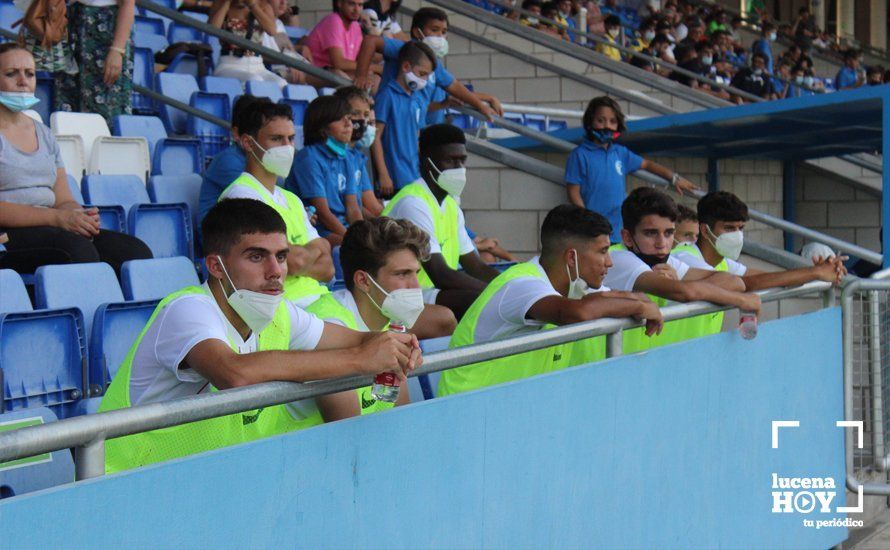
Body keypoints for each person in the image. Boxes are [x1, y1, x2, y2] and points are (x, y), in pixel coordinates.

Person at [98, 199, 422, 472]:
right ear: (216, 266)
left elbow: (359, 340)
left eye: (281, 256)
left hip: (201, 482)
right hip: (125, 483)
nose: (276, 271)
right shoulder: (188, 309)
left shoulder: (278, 312)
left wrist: (397, 347)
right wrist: (359, 358)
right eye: (257, 256)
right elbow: (234, 373)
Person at [437, 204, 664, 397]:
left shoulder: (574, 285)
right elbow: (576, 313)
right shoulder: (522, 284)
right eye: (603, 251)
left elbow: (607, 296)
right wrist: (639, 305)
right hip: (466, 407)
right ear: (571, 256)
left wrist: (641, 300)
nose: (609, 263)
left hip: (508, 406)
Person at [0, 43, 152, 275]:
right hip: (7, 233)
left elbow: (63, 199)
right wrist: (58, 218)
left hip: (50, 225)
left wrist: (77, 215)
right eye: (11, 73)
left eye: (29, 74)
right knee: (77, 251)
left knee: (134, 252)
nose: (23, 81)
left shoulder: (43, 133)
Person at [307, 216, 458, 420]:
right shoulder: (328, 327)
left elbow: (398, 413)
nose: (415, 286)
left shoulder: (391, 319)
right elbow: (347, 432)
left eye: (415, 273)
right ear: (363, 281)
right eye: (402, 274)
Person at [353, 7, 503, 195]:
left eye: (444, 31)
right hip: (395, 172)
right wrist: (360, 75)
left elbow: (454, 86)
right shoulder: (402, 57)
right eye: (435, 30)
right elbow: (370, 41)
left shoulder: (428, 75)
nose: (440, 36)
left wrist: (481, 103)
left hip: (414, 170)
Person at [603, 187, 762, 353]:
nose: (662, 243)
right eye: (651, 233)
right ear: (627, 237)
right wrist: (742, 300)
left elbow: (734, 282)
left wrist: (682, 283)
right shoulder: (618, 259)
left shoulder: (666, 259)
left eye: (669, 233)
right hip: (594, 367)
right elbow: (685, 292)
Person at [216, 98, 335, 308]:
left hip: (318, 302)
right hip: (284, 309)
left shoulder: (291, 198)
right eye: (277, 139)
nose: (288, 147)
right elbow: (293, 261)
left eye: (291, 138)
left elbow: (327, 268)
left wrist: (299, 259)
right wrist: (311, 253)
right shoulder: (241, 197)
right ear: (248, 143)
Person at [381, 124, 499, 319]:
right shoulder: (413, 203)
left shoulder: (451, 206)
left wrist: (511, 284)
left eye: (462, 161)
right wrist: (498, 293)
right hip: (401, 294)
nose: (459, 169)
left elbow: (476, 267)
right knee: (479, 300)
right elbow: (441, 274)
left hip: (428, 293)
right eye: (450, 161)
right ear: (428, 163)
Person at [565, 96, 698, 244]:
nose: (606, 125)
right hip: (593, 229)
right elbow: (573, 192)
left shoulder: (620, 153)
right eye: (600, 120)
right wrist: (586, 218)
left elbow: (647, 164)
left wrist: (674, 178)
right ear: (590, 121)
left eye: (612, 121)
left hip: (619, 228)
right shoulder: (580, 154)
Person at [673, 191, 848, 292]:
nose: (737, 235)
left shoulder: (723, 263)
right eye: (729, 228)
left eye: (740, 228)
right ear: (705, 230)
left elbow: (765, 278)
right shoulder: (683, 257)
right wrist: (814, 273)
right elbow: (746, 284)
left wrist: (818, 271)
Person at [286, 95, 362, 246]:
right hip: (319, 230)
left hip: (342, 229)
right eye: (339, 119)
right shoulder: (309, 158)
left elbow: (352, 208)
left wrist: (363, 235)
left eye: (348, 117)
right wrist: (353, 241)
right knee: (364, 251)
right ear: (322, 128)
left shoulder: (347, 156)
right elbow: (323, 214)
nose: (348, 123)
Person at [371, 41, 437, 195]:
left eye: (428, 76)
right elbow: (376, 136)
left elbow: (418, 137)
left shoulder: (418, 99)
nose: (425, 80)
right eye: (422, 74)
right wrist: (383, 173)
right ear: (406, 67)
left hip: (414, 176)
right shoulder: (387, 95)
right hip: (394, 178)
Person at [55, 0, 135, 124]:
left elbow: (128, 4)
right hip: (73, 22)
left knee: (106, 108)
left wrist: (117, 50)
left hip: (106, 30)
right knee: (67, 105)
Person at [200, 95, 263, 227]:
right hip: (219, 235)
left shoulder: (265, 160)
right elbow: (260, 204)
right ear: (236, 133)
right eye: (254, 132)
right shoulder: (228, 162)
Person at [209, 0, 288, 86]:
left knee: (281, 84)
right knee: (254, 80)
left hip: (257, 65)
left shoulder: (263, 5)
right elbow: (212, 30)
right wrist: (226, 3)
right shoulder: (220, 3)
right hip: (229, 64)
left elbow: (272, 31)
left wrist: (252, 5)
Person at [333, 86, 383, 218]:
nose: (363, 121)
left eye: (366, 115)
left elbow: (369, 206)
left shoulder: (356, 156)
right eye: (355, 114)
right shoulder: (323, 155)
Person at [303, 0, 370, 80]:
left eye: (360, 5)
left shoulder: (356, 26)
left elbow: (361, 59)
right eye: (352, 4)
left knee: (372, 78)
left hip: (339, 74)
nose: (357, 9)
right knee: (341, 76)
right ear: (340, 3)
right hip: (315, 73)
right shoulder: (333, 20)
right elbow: (339, 63)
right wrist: (376, 68)